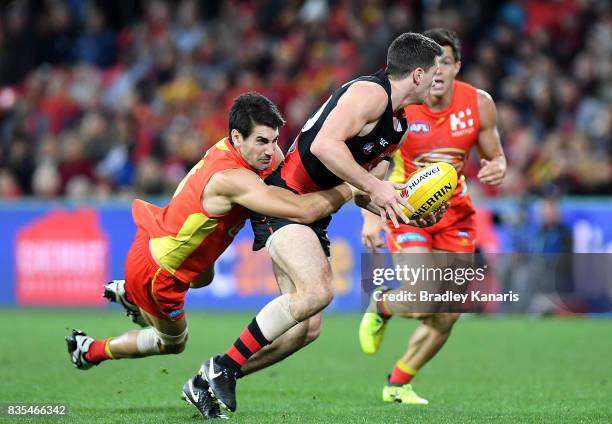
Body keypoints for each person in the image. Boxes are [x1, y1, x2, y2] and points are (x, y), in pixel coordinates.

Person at [194, 32, 445, 413]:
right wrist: (378, 185)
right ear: (416, 75)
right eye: (434, 73)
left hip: (314, 215)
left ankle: (210, 377)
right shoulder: (370, 94)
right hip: (285, 200)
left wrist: (411, 210)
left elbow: (362, 191)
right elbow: (324, 146)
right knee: (318, 291)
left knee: (304, 330)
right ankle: (223, 367)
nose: (438, 82)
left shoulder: (397, 127)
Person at [65, 92, 354, 420]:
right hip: (160, 272)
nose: (270, 151)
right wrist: (353, 186)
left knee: (206, 276)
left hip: (165, 244)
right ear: (236, 137)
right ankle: (89, 349)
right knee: (172, 343)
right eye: (261, 141)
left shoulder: (233, 153)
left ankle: (129, 296)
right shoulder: (230, 179)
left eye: (274, 141)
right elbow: (302, 210)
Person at [358, 28, 506, 405]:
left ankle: (398, 382)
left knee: (449, 313)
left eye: (445, 61)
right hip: (408, 211)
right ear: (419, 70)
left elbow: (494, 155)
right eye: (431, 62)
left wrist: (497, 167)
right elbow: (373, 164)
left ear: (457, 66)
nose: (437, 70)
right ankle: (383, 304)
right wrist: (371, 219)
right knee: (424, 298)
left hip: (457, 215)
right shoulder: (402, 106)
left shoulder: (479, 104)